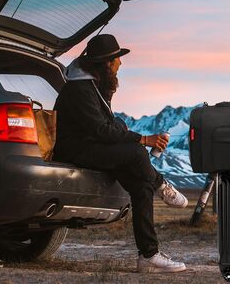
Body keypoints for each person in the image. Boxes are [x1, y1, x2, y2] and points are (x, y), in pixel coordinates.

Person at [53, 34, 188, 273]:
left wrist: (127, 131)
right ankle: (161, 184)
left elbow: (110, 125)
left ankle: (149, 255)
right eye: (117, 58)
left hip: (93, 147)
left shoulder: (94, 86)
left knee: (140, 187)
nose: (120, 63)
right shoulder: (80, 89)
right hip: (76, 150)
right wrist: (143, 139)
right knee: (137, 153)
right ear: (106, 62)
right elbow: (101, 130)